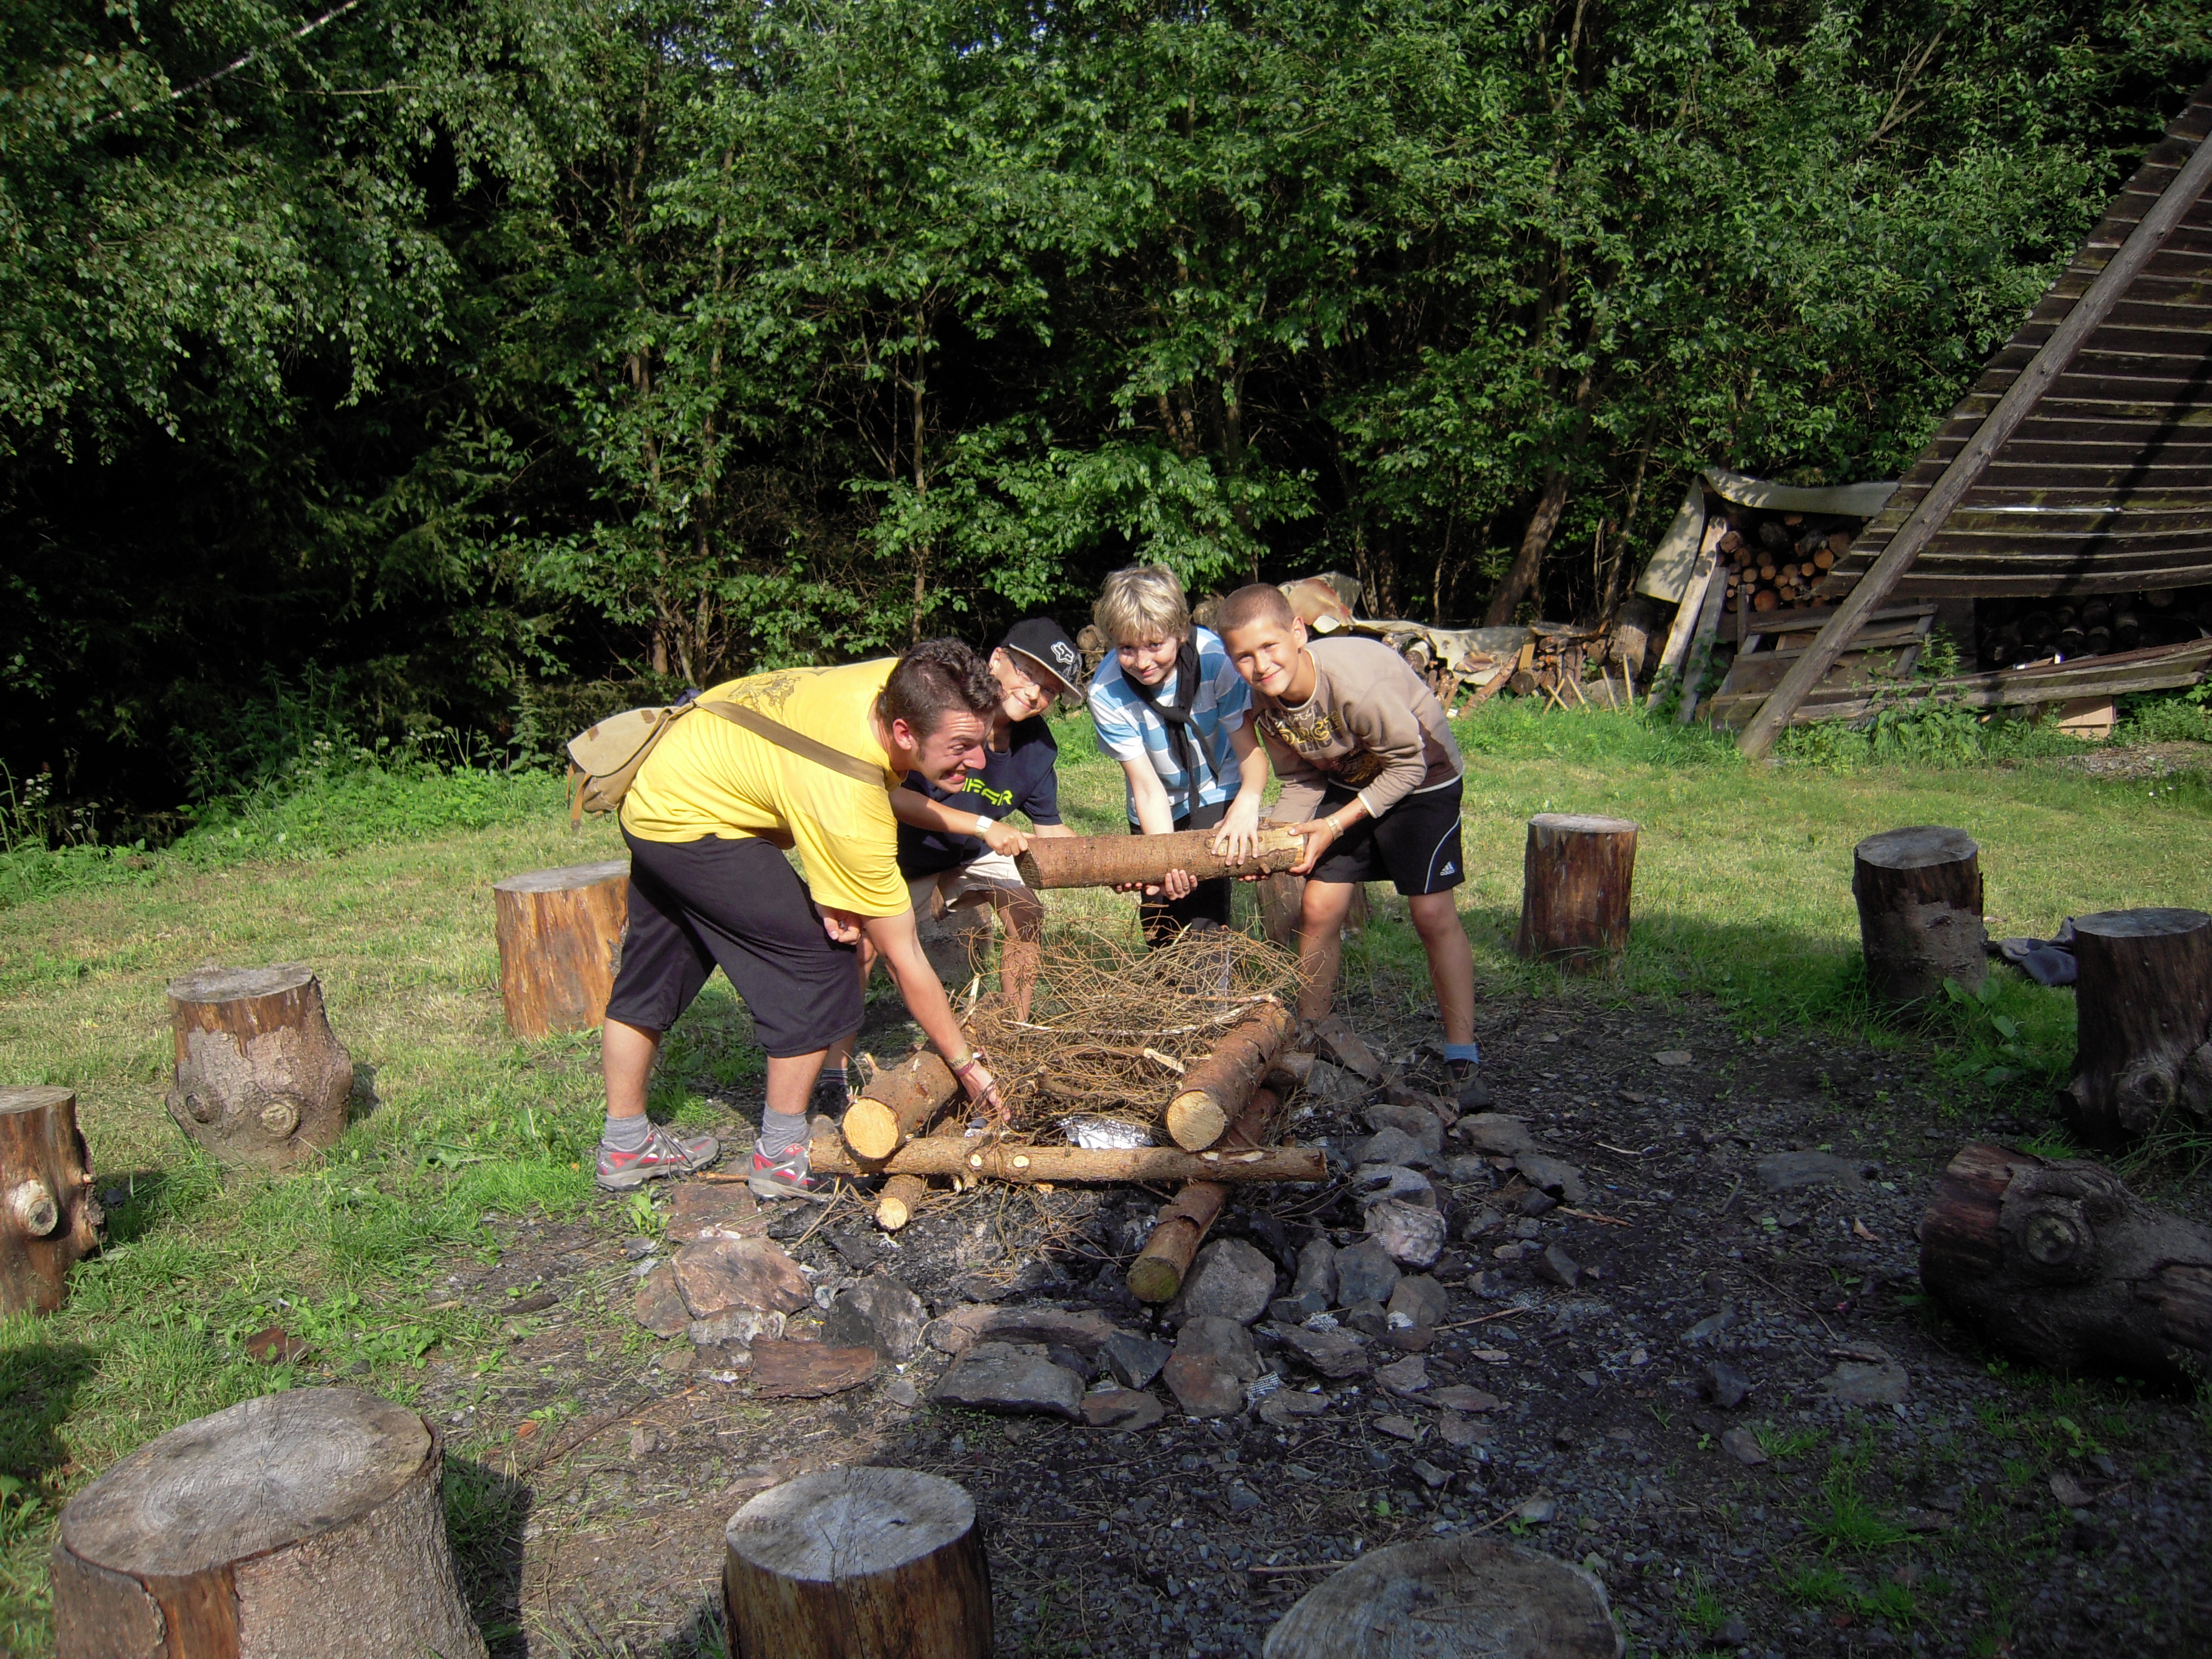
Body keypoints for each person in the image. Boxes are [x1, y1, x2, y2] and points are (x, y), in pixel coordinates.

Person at [598, 641, 1009, 1200]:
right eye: (961, 746)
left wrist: (835, 886)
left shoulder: (907, 681)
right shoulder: (851, 801)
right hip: (693, 819)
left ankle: (624, 1144)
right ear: (904, 732)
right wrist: (966, 1066)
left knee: (657, 965)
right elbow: (903, 956)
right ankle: (782, 1155)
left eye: (982, 740)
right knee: (822, 964)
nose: (980, 761)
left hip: (662, 790)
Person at [1212, 583, 1489, 1107]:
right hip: (1350, 779)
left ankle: (1462, 1053)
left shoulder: (1354, 688)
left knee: (1431, 913)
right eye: (1244, 656)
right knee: (1319, 906)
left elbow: (1407, 766)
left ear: (1298, 633)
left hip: (1423, 776)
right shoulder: (1263, 703)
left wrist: (1335, 826)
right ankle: (1312, 1035)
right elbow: (1300, 780)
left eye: (1269, 647)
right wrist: (1274, 847)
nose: (1261, 665)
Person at [866, 618, 1084, 1026]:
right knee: (862, 948)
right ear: (997, 659)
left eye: (1050, 689)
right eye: (1028, 673)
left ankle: (1013, 1025)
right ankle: (835, 1049)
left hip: (969, 855)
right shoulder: (944, 710)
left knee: (1026, 911)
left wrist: (1106, 866)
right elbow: (893, 796)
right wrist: (984, 826)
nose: (1034, 693)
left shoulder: (1036, 746)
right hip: (901, 856)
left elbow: (1051, 829)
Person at [1085, 566, 1269, 945]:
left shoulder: (1218, 661)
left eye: (1155, 645)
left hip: (1217, 786)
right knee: (1160, 912)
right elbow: (1146, 786)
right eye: (1127, 649)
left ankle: (1210, 976)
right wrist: (1165, 858)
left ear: (1181, 631)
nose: (1142, 662)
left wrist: (1248, 801)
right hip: (1156, 797)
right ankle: (1165, 978)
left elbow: (1248, 751)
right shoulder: (1105, 693)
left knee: (1202, 911)